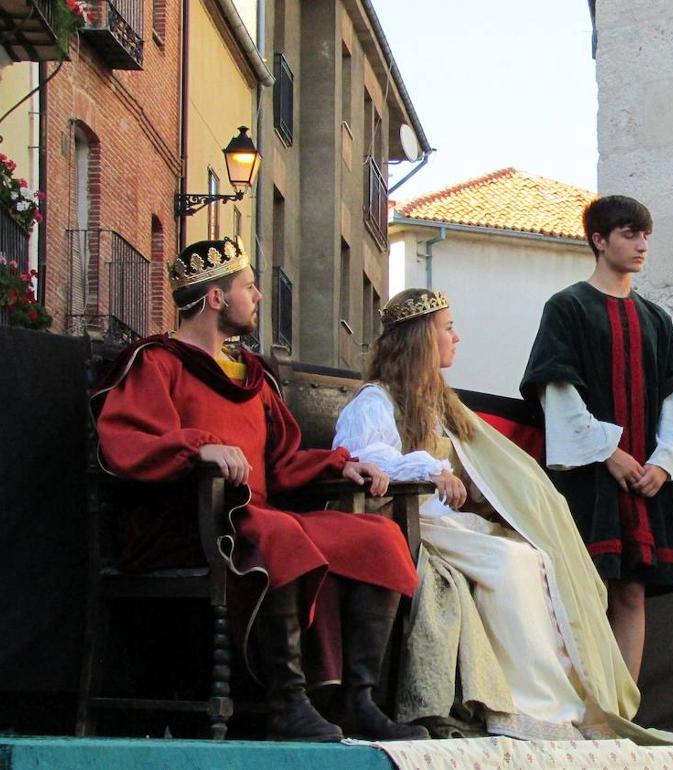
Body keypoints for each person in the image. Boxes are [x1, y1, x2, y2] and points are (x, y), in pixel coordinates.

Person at [91, 239, 424, 742]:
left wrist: (339, 465)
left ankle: (356, 701)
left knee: (377, 537)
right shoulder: (156, 363)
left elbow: (283, 463)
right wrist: (198, 447)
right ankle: (287, 704)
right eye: (248, 287)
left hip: (258, 516)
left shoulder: (253, 377)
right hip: (189, 521)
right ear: (216, 299)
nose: (258, 297)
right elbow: (126, 440)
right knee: (280, 533)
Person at [334, 288, 672, 742]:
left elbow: (479, 466)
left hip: (446, 521)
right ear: (420, 339)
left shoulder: (439, 406)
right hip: (408, 522)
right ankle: (520, 705)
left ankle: (561, 706)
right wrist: (431, 472)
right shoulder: (376, 401)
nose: (457, 337)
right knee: (506, 563)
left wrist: (491, 494)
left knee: (535, 555)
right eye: (447, 328)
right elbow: (364, 458)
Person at [521, 195, 673, 681]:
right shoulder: (567, 307)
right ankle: (581, 708)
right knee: (581, 586)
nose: (642, 245)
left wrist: (662, 463)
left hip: (645, 477)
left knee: (631, 590)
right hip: (589, 477)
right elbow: (556, 389)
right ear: (599, 241)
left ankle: (624, 713)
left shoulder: (656, 318)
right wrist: (608, 453)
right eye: (629, 234)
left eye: (645, 235)